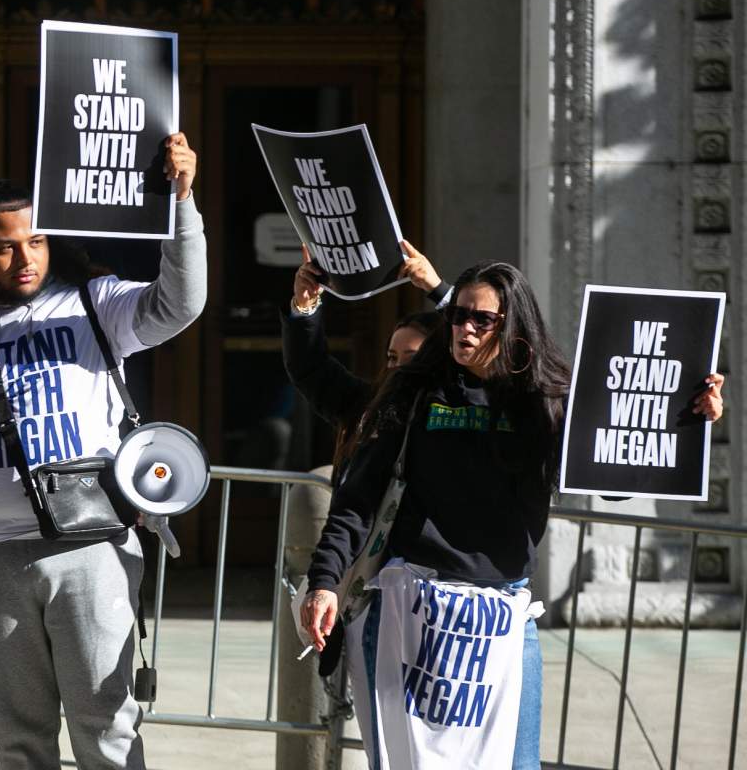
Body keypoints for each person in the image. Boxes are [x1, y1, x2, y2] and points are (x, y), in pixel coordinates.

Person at [299, 261, 724, 768]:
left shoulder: (548, 402)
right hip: (409, 611)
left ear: (514, 325)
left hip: (502, 619)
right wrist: (324, 580)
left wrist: (687, 418)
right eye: (457, 316)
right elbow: (358, 499)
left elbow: (614, 477)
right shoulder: (413, 392)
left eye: (482, 320)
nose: (464, 329)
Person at [0, 133, 205, 769]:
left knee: (108, 730)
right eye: (4, 247)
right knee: (19, 740)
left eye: (36, 241)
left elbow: (182, 303)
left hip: (93, 551)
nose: (25, 259)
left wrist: (182, 203)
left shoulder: (96, 304)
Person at [281, 240, 448, 483]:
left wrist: (438, 288)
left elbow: (485, 348)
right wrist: (305, 306)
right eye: (392, 357)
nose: (397, 368)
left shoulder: (457, 413)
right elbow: (309, 366)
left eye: (412, 358)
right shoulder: (367, 404)